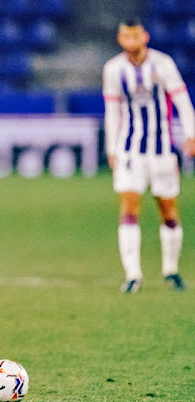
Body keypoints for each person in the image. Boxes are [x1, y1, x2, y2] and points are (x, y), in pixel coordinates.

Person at [103, 18, 195, 294]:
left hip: (162, 150)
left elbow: (181, 100)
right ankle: (133, 275)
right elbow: (112, 111)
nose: (131, 43)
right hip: (130, 150)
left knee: (168, 211)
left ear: (145, 37)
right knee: (129, 206)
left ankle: (171, 270)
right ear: (121, 40)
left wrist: (191, 133)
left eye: (135, 37)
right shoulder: (113, 69)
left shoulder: (163, 64)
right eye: (125, 37)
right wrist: (111, 148)